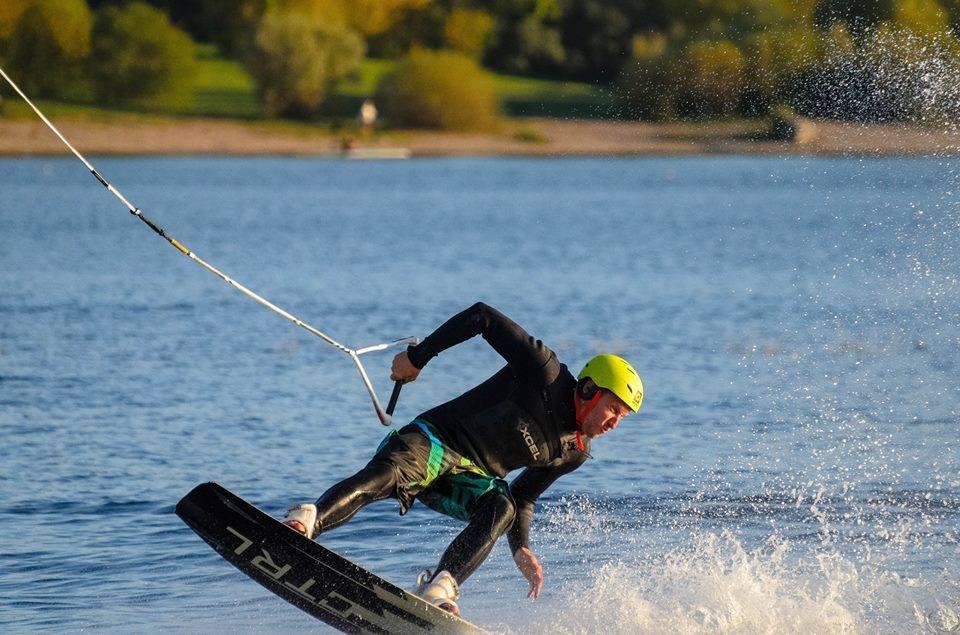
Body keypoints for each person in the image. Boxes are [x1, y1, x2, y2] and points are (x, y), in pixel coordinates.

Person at [282, 302, 643, 615]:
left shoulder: (574, 452)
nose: (614, 423)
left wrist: (521, 548)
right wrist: (416, 358)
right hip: (434, 440)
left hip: (466, 480)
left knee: (503, 506)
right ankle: (307, 522)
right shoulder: (543, 371)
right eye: (614, 409)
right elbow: (482, 316)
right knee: (390, 474)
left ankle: (439, 590)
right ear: (589, 389)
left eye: (623, 417)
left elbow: (524, 497)